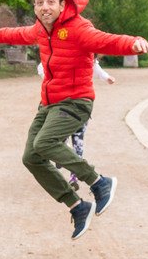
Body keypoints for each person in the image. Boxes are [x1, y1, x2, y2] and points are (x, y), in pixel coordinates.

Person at [0, 0, 148, 240]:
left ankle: (99, 182)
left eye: (50, 2)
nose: (45, 7)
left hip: (75, 101)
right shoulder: (41, 29)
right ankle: (77, 205)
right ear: (35, 8)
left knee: (45, 143)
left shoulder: (78, 28)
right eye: (39, 3)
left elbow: (105, 41)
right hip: (49, 103)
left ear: (61, 5)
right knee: (31, 157)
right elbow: (21, 34)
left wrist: (133, 42)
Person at [37, 56, 115, 189]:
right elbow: (42, 67)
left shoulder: (87, 60)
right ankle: (63, 160)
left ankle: (73, 177)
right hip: (67, 107)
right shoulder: (63, 56)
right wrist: (49, 77)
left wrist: (107, 77)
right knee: (66, 141)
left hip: (77, 108)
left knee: (75, 142)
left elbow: (97, 68)